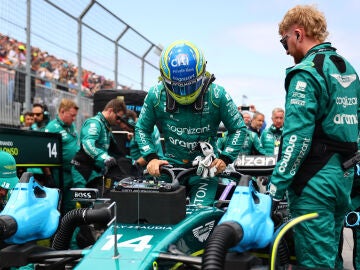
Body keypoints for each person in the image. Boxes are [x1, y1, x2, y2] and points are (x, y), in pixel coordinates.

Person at [269, 5, 360, 268]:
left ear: (298, 34)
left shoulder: (306, 73)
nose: (285, 50)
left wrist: (275, 189)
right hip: (342, 180)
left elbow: (296, 139)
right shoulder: (348, 69)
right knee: (331, 257)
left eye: (284, 41)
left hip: (314, 185)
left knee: (316, 263)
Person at [135, 40, 246, 206]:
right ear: (164, 78)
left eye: (190, 85)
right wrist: (151, 158)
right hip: (169, 168)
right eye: (177, 87)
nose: (184, 93)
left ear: (203, 73)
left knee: (199, 218)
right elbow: (141, 128)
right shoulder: (155, 94)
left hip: (205, 170)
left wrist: (225, 158)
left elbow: (238, 128)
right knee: (158, 216)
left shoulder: (217, 94)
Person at [71, 98, 127, 195]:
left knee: (97, 203)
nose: (118, 121)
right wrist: (104, 157)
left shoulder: (106, 127)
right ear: (110, 111)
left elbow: (115, 151)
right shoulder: (94, 123)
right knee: (83, 204)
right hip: (82, 170)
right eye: (118, 117)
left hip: (95, 172)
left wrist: (130, 161)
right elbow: (88, 143)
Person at [45, 98, 79, 213]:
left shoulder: (71, 127)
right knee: (57, 205)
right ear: (63, 111)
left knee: (71, 205)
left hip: (72, 172)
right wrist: (49, 176)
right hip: (58, 173)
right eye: (72, 115)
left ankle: (70, 230)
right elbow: (44, 154)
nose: (74, 119)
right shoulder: (52, 127)